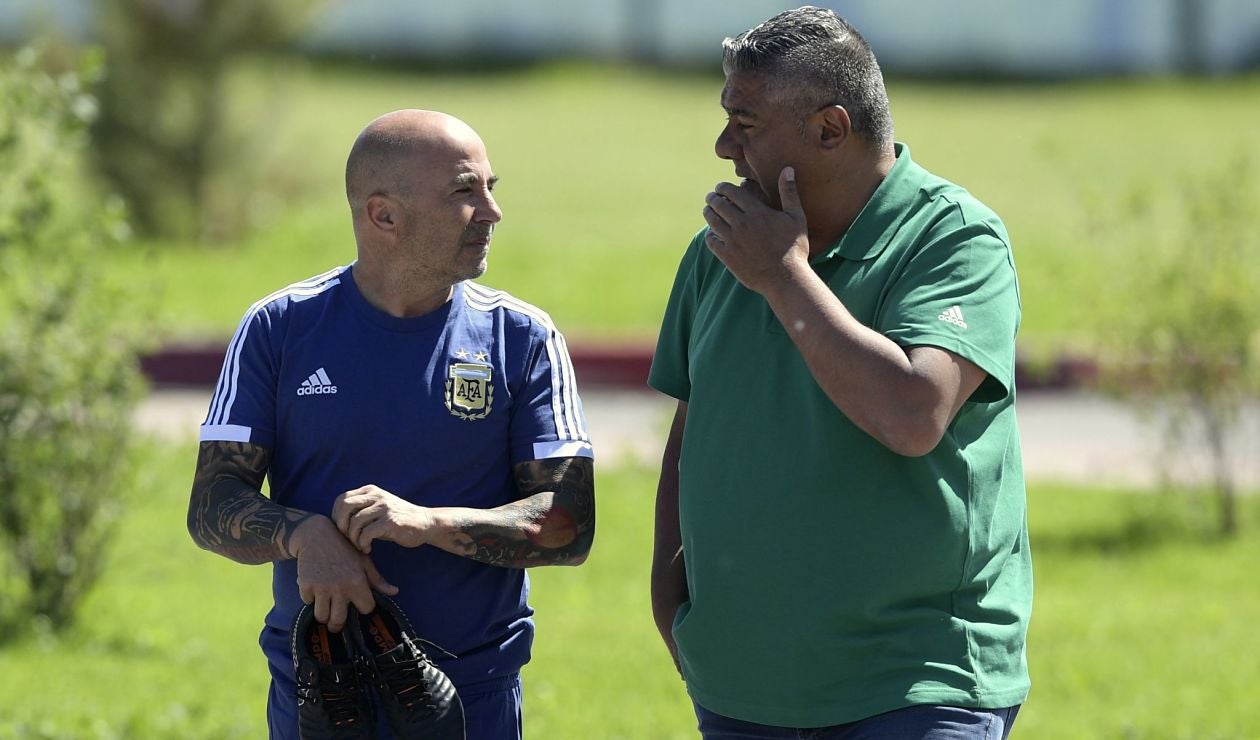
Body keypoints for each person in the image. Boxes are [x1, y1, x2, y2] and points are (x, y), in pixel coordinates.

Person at [648, 7, 1030, 738]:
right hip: (741, 686)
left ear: (830, 129)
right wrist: (674, 607)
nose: (724, 145)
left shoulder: (952, 238)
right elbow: (694, 432)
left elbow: (913, 415)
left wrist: (784, 277)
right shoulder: (719, 251)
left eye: (745, 122)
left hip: (915, 687)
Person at [188, 109, 596, 740]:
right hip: (320, 698)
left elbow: (570, 524)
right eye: (466, 192)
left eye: (491, 188)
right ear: (383, 215)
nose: (491, 212)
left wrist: (429, 524)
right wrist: (305, 536)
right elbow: (211, 505)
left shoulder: (524, 337)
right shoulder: (278, 327)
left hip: (474, 700)